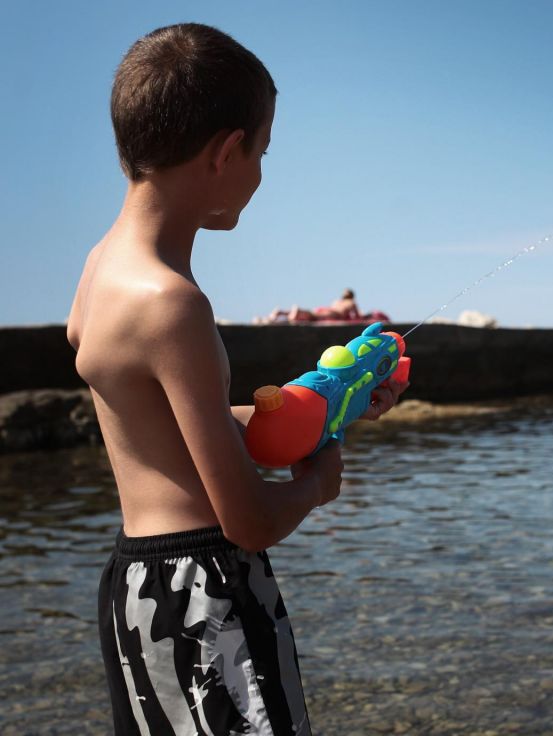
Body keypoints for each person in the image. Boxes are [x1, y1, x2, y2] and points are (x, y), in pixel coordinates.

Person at [66, 24, 407, 734]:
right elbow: (248, 520)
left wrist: (316, 412)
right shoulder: (172, 304)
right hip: (205, 594)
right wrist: (317, 483)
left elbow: (167, 420)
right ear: (226, 152)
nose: (260, 173)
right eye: (262, 151)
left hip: (136, 586)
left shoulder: (100, 269)